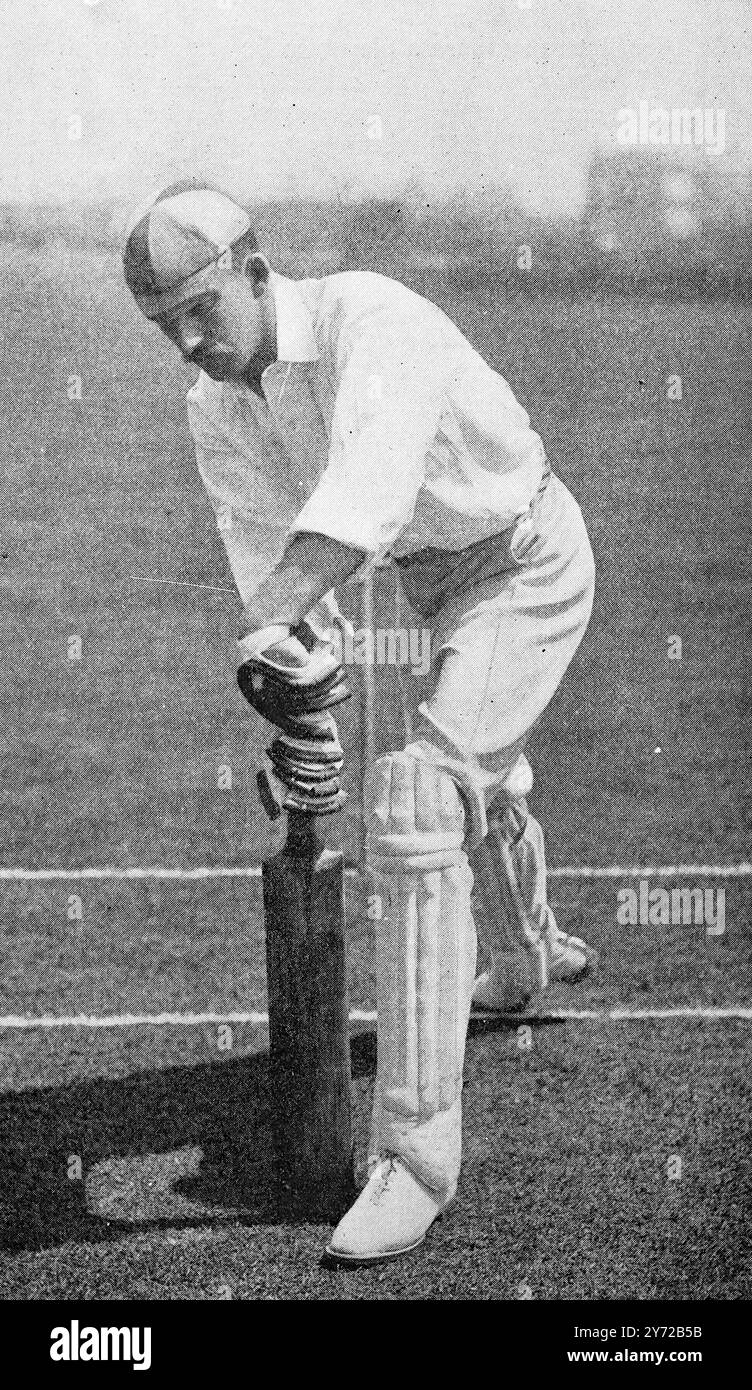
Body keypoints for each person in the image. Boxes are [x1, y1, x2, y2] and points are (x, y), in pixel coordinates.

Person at [122, 180, 596, 1263]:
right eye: (165, 327)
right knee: (474, 768)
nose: (190, 342)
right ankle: (522, 960)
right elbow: (280, 590)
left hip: (526, 561)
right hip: (432, 580)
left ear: (254, 270)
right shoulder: (219, 408)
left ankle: (414, 1160)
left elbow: (362, 501)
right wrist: (301, 714)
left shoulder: (369, 319)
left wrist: (272, 623)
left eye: (203, 308)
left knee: (425, 789)